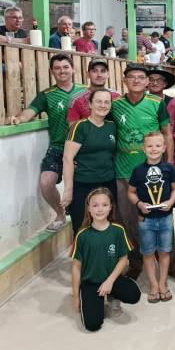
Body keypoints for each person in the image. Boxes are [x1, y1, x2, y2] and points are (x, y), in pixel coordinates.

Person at [8, 53, 85, 231]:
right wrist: (18, 119)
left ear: (72, 69)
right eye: (57, 68)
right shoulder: (46, 95)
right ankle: (60, 214)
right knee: (46, 182)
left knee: (83, 188)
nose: (62, 71)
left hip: (83, 149)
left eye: (65, 67)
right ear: (51, 72)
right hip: (58, 147)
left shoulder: (85, 91)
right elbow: (29, 112)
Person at [110, 63, 173, 279]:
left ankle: (170, 263)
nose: (136, 80)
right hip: (124, 171)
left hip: (154, 173)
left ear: (147, 81)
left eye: (140, 77)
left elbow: (167, 133)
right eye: (131, 77)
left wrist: (168, 163)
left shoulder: (157, 103)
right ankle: (135, 263)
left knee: (162, 218)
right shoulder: (115, 105)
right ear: (124, 80)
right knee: (129, 220)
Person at [71, 187, 141, 332]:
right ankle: (91, 298)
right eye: (95, 205)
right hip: (91, 282)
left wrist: (109, 281)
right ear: (88, 208)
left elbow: (123, 259)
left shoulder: (118, 230)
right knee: (92, 325)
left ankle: (112, 296)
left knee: (133, 295)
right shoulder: (82, 235)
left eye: (104, 205)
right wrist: (76, 296)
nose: (100, 209)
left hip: (112, 279)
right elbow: (76, 268)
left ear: (110, 207)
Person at [127, 131, 175, 303]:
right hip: (145, 220)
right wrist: (139, 204)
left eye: (158, 145)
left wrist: (170, 202)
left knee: (164, 252)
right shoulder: (138, 170)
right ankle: (153, 285)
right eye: (149, 146)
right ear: (144, 148)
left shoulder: (169, 169)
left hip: (165, 218)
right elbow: (131, 192)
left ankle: (163, 283)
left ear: (164, 148)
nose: (154, 149)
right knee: (148, 253)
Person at [62, 89, 117, 236]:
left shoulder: (112, 126)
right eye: (98, 101)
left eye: (107, 102)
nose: (103, 105)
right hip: (83, 185)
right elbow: (67, 158)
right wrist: (68, 190)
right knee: (82, 228)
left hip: (108, 184)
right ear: (90, 104)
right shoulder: (80, 126)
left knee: (107, 227)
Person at [67, 57, 121, 122]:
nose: (99, 75)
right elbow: (73, 127)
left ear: (108, 74)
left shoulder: (117, 97)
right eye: (94, 71)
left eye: (103, 71)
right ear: (88, 74)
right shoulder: (76, 99)